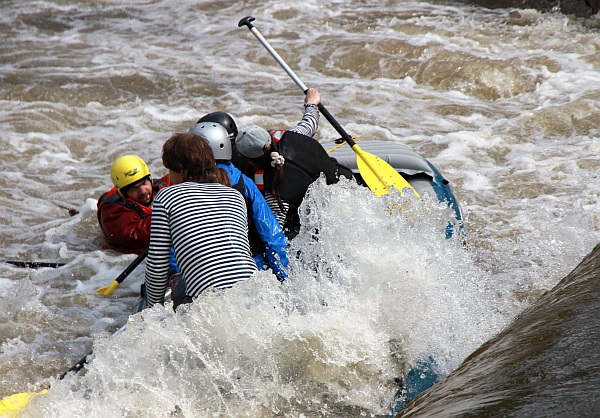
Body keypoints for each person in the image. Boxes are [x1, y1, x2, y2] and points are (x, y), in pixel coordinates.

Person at [144, 132, 257, 309]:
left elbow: (157, 266)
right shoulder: (235, 196)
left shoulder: (166, 197)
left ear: (180, 169)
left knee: (180, 282)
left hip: (209, 303)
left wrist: (152, 310)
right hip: (254, 293)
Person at [234, 88, 353, 239]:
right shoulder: (294, 135)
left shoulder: (274, 193)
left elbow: (274, 231)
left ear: (250, 161)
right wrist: (311, 103)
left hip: (322, 220)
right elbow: (310, 122)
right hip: (346, 188)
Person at [189, 120, 289, 281]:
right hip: (250, 268)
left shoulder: (179, 192)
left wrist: (173, 272)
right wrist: (284, 278)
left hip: (202, 274)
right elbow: (273, 237)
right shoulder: (244, 184)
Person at [97, 154, 171, 254]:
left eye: (144, 183)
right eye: (134, 188)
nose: (143, 191)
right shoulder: (113, 213)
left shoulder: (160, 187)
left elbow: (182, 176)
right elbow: (136, 236)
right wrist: (170, 214)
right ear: (123, 193)